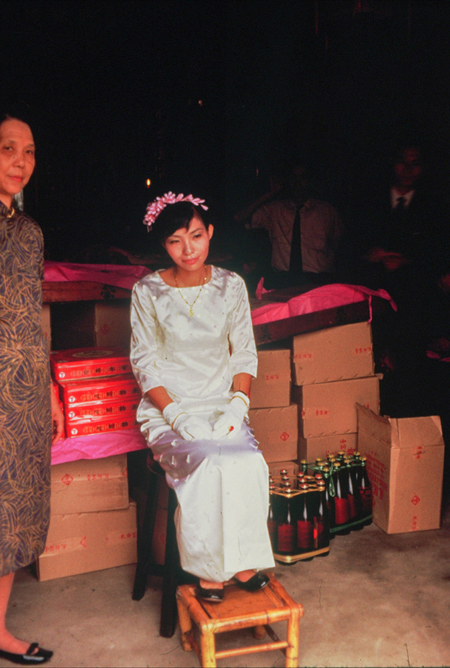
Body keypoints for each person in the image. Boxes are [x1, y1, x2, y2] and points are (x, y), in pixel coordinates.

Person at [130, 192, 275, 602]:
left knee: (248, 462)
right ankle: (210, 572)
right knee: (209, 463)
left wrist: (238, 404)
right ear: (164, 245)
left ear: (210, 232)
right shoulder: (147, 292)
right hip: (169, 410)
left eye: (196, 235)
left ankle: (243, 562)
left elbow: (244, 351)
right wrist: (175, 414)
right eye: (176, 240)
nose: (188, 248)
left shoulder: (231, 286)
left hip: (220, 404)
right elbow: (144, 363)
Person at [0, 115, 64, 665]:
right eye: (7, 149)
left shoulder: (30, 232)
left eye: (29, 151)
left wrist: (48, 391)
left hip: (20, 394)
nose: (20, 161)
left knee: (14, 509)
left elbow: (31, 317)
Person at [236, 161, 344, 290]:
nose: (298, 184)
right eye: (293, 178)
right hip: (283, 280)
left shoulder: (326, 211)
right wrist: (269, 194)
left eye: (302, 178)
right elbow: (239, 218)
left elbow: (340, 244)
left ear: (310, 181)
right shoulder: (275, 209)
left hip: (319, 281)